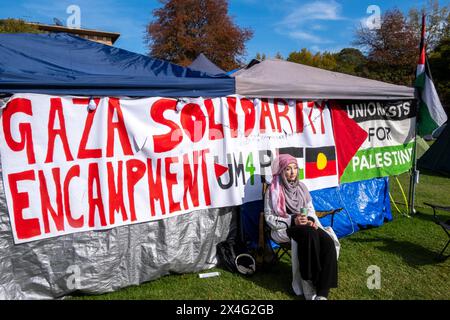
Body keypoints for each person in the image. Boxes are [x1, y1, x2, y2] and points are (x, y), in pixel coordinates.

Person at [264, 154, 339, 300]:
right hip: (285, 229)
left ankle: (322, 293)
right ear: (281, 171)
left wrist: (310, 220)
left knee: (327, 241)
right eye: (287, 169)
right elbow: (269, 219)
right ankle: (309, 285)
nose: (292, 172)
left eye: (295, 168)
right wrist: (293, 220)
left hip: (306, 227)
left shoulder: (302, 187)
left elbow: (310, 210)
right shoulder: (273, 190)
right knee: (309, 235)